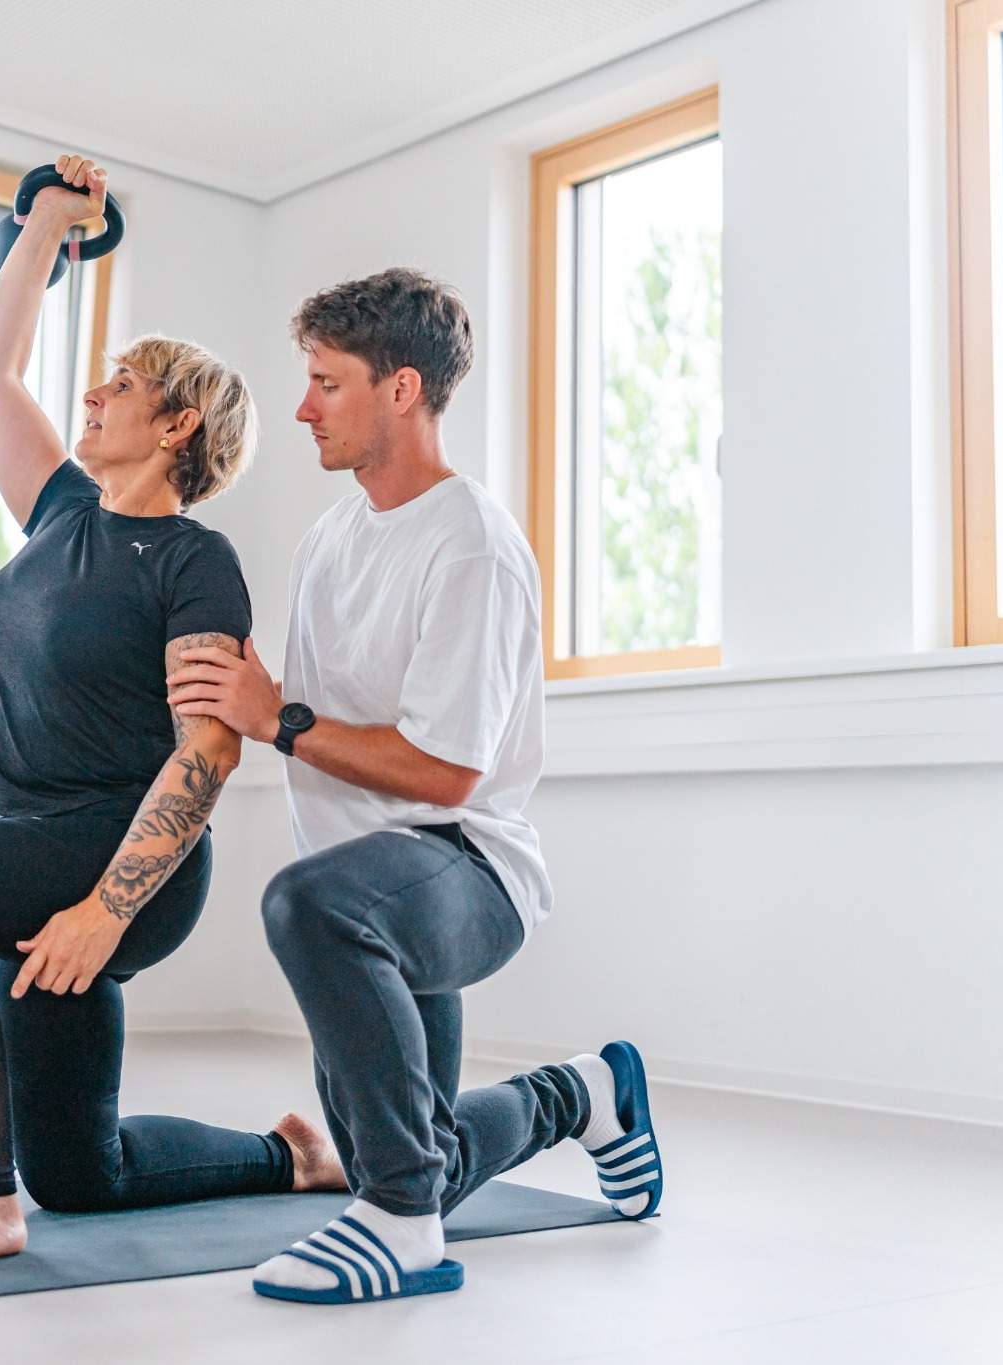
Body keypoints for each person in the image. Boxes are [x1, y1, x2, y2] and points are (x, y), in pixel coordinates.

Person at [0, 155, 347, 1271]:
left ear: (175, 427)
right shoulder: (60, 512)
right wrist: (48, 225)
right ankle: (290, 1153)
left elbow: (207, 755)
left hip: (125, 860)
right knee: (80, 1176)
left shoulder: (193, 566)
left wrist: (104, 913)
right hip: (40, 847)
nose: (91, 395)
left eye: (118, 384)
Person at [168, 268, 662, 1305]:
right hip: (368, 885)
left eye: (324, 383)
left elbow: (444, 772)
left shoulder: (469, 545)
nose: (301, 407)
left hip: (463, 869)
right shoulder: (329, 540)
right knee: (413, 1149)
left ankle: (401, 1233)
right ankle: (584, 1095)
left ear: (400, 390)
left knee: (306, 912)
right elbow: (287, 710)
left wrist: (277, 717)